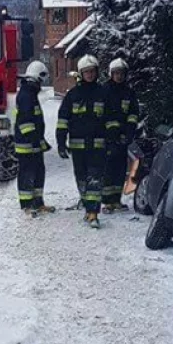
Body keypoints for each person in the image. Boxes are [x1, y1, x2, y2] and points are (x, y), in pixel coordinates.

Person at [56, 55, 119, 228]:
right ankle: (87, 206)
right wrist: (61, 143)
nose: (90, 75)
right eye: (86, 72)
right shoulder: (73, 95)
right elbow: (63, 120)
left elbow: (111, 119)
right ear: (81, 74)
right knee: (82, 179)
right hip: (78, 148)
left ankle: (93, 213)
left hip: (98, 147)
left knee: (95, 179)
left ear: (97, 72)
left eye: (92, 71)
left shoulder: (104, 93)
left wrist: (113, 140)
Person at [14, 61, 55, 217]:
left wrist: (40, 141)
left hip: (34, 143)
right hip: (26, 145)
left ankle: (38, 202)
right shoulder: (26, 95)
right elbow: (25, 122)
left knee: (38, 172)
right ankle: (27, 205)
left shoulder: (30, 93)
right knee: (27, 173)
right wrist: (35, 140)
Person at [102, 58, 141, 214]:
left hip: (124, 138)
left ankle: (116, 200)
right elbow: (101, 114)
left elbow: (133, 114)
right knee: (108, 169)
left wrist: (130, 131)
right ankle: (106, 202)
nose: (119, 76)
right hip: (108, 138)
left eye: (121, 73)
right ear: (111, 74)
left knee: (120, 170)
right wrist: (110, 132)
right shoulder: (104, 91)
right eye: (116, 73)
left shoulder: (129, 92)